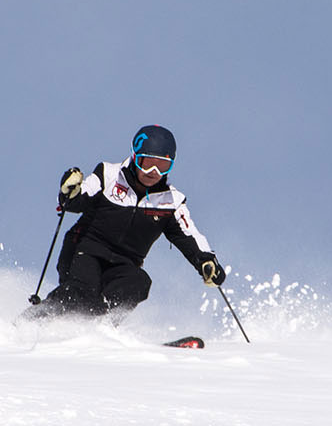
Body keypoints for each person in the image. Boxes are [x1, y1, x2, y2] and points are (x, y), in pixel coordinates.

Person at [34, 124, 226, 318]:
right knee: (82, 294)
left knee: (139, 283)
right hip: (85, 251)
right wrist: (70, 193)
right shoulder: (108, 175)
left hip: (124, 264)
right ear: (135, 156)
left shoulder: (171, 201)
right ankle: (35, 320)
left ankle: (102, 329)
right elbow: (78, 200)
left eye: (162, 166)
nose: (153, 172)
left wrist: (206, 260)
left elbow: (189, 235)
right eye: (147, 163)